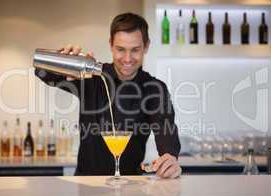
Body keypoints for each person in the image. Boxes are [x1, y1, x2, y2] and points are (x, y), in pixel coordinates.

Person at [35, 12, 181, 178]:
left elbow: (166, 128)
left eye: (135, 50)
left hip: (131, 186)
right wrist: (62, 60)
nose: (127, 58)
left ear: (146, 46)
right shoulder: (90, 76)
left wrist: (170, 156)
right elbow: (43, 73)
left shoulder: (154, 89)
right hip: (87, 184)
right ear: (111, 45)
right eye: (120, 49)